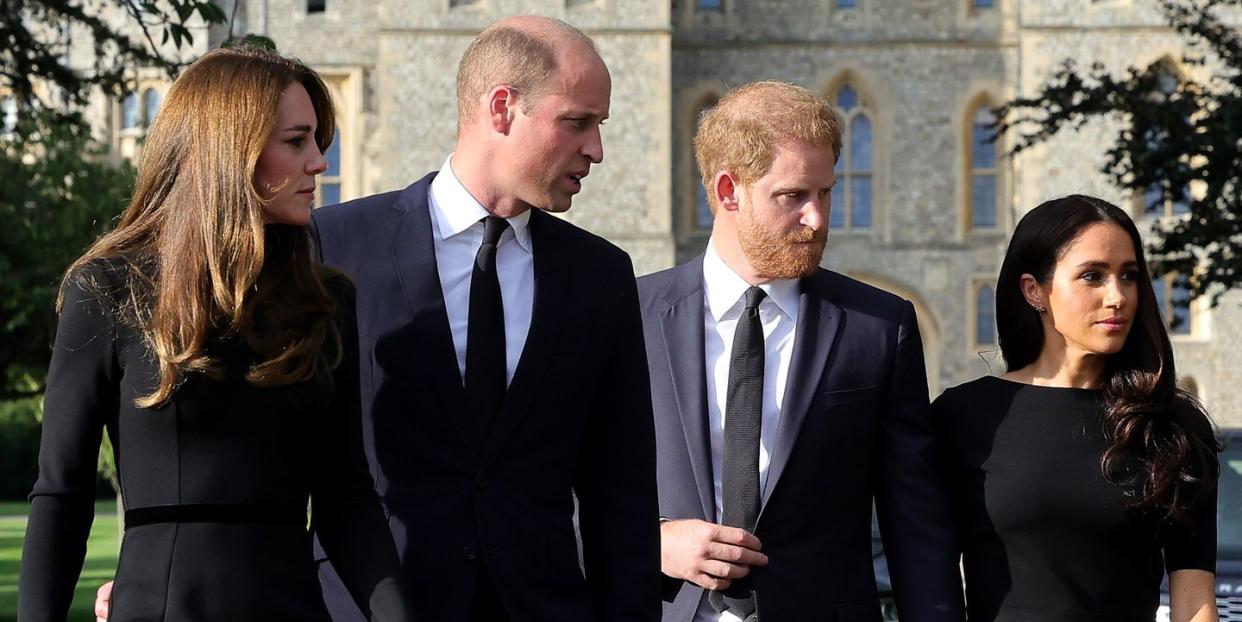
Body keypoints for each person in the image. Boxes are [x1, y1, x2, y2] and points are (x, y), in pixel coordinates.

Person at [19, 47, 414, 621]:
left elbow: (347, 497)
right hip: (164, 606)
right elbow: (62, 492)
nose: (320, 163)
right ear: (233, 150)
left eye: (318, 141)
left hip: (292, 607)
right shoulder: (108, 287)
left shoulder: (325, 301)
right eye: (298, 141)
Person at [308, 15, 660, 622]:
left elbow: (620, 496)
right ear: (503, 108)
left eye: (599, 127)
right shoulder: (336, 246)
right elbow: (275, 455)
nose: (596, 151)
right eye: (577, 122)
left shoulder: (601, 276)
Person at [640, 81, 965, 622]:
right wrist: (654, 542)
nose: (817, 219)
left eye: (826, 193)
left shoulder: (880, 327)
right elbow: (562, 486)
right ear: (728, 191)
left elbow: (916, 521)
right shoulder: (632, 316)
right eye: (793, 196)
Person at [933, 194, 1221, 621]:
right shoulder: (964, 416)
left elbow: (1195, 599)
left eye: (1129, 276)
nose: (1118, 296)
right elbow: (929, 575)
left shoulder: (1172, 424)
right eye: (1093, 276)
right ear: (1034, 291)